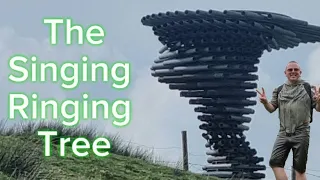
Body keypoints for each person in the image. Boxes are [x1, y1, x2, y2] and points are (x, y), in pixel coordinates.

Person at [256, 61, 320, 180]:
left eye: (296, 69)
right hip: (283, 133)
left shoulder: (308, 88)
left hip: (301, 132)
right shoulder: (279, 90)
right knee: (274, 163)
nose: (293, 72)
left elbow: (318, 109)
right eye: (290, 70)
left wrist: (319, 100)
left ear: (300, 72)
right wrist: (265, 102)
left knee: (299, 170)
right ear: (285, 73)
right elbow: (271, 109)